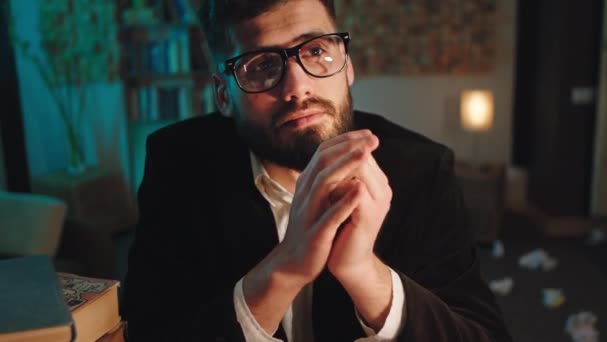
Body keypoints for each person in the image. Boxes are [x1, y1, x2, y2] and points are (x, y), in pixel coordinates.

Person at [123, 0, 513, 341]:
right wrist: (285, 268)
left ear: (348, 67)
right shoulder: (179, 164)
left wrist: (364, 274)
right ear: (225, 95)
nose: (298, 86)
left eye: (316, 51)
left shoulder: (423, 171)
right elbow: (149, 330)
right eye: (260, 66)